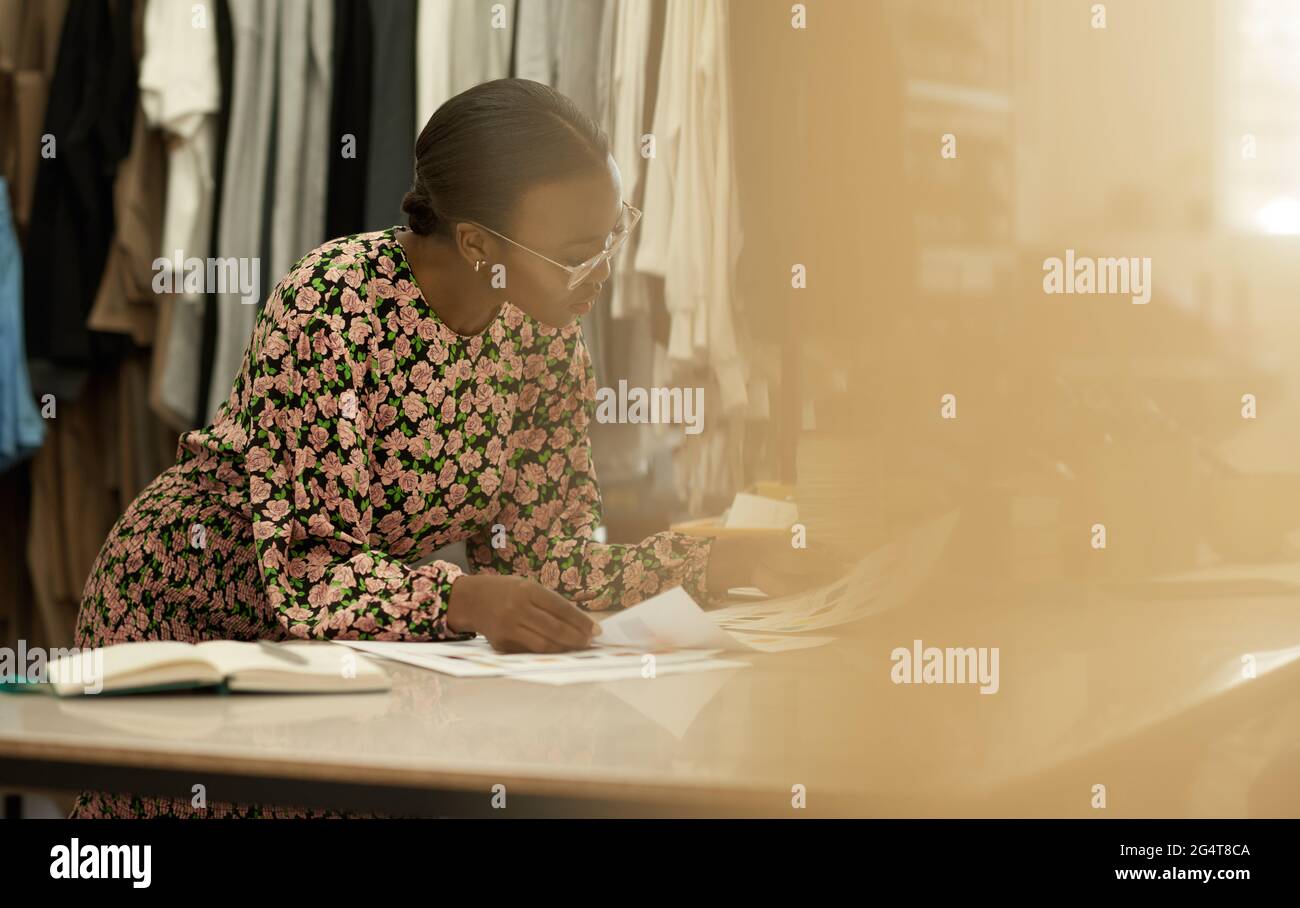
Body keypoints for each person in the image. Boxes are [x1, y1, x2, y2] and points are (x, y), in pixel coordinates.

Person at [69, 79, 834, 818]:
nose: (602, 272)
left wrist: (715, 562)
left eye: (613, 235)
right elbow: (308, 562)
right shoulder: (332, 302)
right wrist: (463, 598)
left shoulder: (542, 332)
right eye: (577, 251)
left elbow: (540, 555)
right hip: (196, 613)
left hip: (353, 641)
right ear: (474, 242)